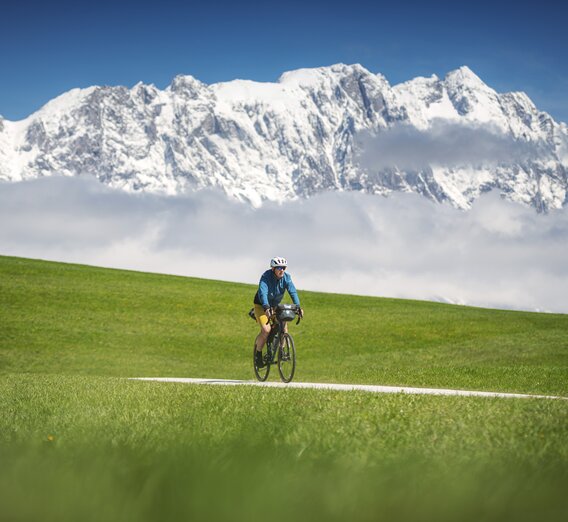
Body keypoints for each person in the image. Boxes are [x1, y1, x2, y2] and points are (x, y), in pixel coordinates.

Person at [253, 257, 303, 368]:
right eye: (279, 268)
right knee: (266, 330)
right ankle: (258, 355)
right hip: (261, 305)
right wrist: (266, 307)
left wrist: (298, 307)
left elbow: (292, 291)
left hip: (275, 306)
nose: (282, 270)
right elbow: (263, 293)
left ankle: (282, 351)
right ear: (273, 269)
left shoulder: (286, 278)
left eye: (283, 268)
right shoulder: (266, 277)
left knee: (284, 325)